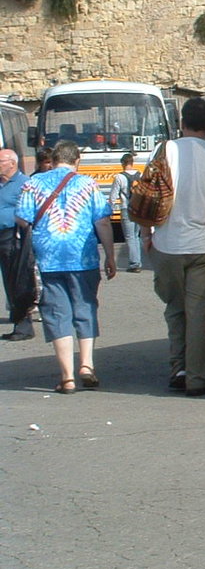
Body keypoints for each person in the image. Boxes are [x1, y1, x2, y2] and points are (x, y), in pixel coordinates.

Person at [143, 97, 205, 397]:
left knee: (175, 309)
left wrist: (146, 235)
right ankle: (197, 377)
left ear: (181, 122)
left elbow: (147, 196)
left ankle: (179, 367)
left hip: (167, 244)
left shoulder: (164, 151)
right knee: (198, 314)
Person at [15, 140, 117, 392]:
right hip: (82, 258)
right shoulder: (88, 184)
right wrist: (111, 256)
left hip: (48, 258)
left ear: (53, 159)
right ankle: (86, 364)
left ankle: (67, 377)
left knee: (56, 313)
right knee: (85, 307)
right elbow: (103, 222)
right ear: (77, 160)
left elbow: (21, 216)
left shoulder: (34, 183)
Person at [0, 148, 37, 341]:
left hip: (15, 237)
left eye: (1, 161)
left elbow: (31, 212)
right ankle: (17, 320)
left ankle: (24, 325)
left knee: (19, 279)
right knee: (8, 280)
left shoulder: (24, 184)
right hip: (2, 237)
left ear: (12, 163)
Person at [110, 152, 142, 272]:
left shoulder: (119, 177)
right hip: (139, 210)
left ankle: (134, 263)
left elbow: (113, 196)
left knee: (129, 237)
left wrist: (111, 209)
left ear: (123, 163)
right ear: (132, 163)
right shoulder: (140, 175)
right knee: (136, 236)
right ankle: (138, 261)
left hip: (126, 208)